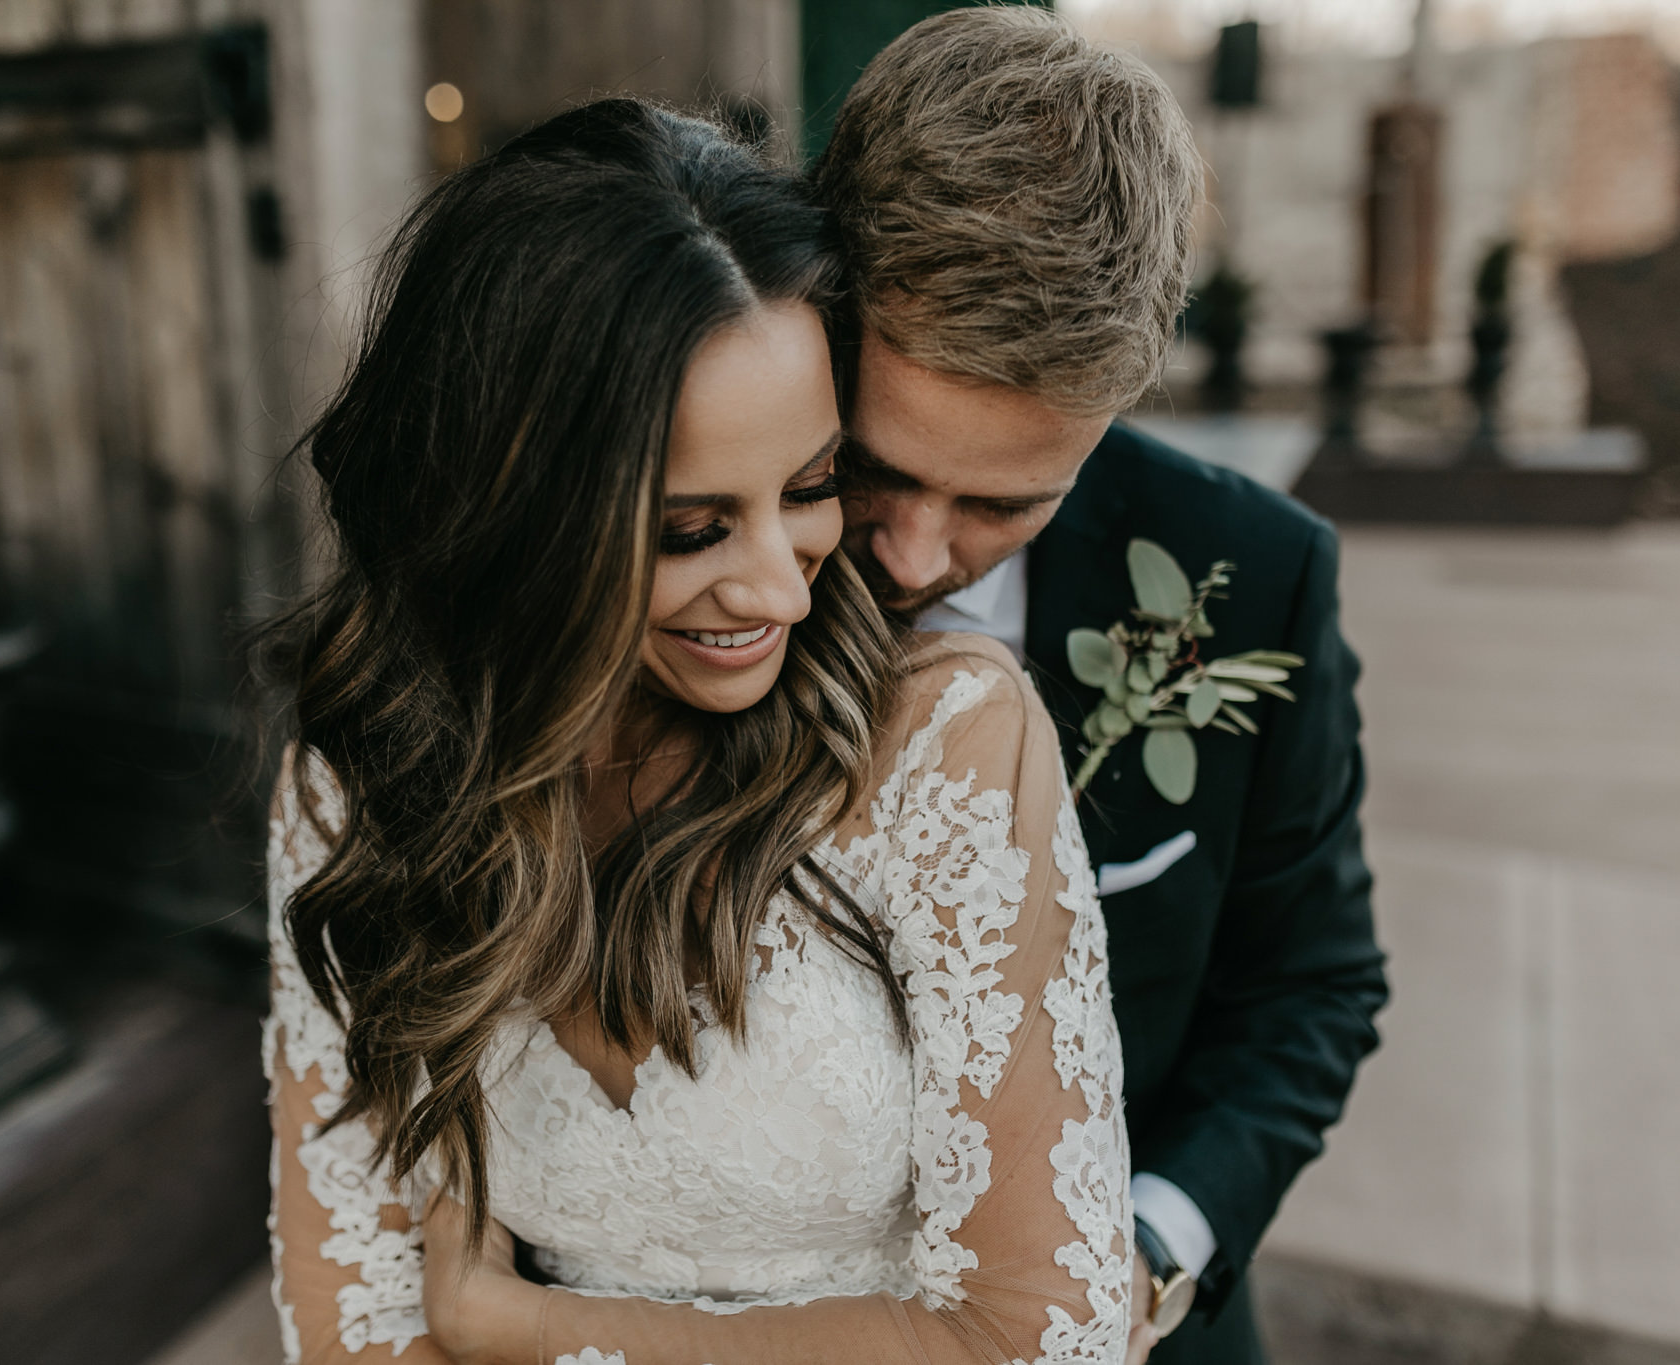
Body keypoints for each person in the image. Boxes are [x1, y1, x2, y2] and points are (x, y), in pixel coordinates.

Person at [261, 99, 1144, 1365]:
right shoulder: (355, 788)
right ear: (508, 510)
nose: (784, 590)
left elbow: (1042, 1339)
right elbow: (353, 1324)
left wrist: (518, 1322)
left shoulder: (940, 745)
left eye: (808, 489)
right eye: (690, 530)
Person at [814, 10, 1390, 1363]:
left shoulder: (1254, 578)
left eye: (1002, 502)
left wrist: (1137, 1254)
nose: (909, 555)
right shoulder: (695, 551)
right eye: (876, 468)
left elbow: (1310, 988)